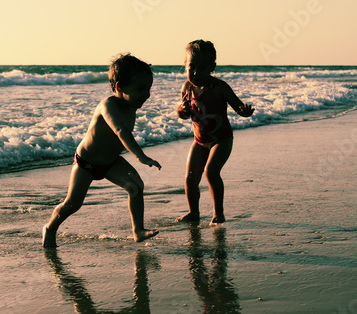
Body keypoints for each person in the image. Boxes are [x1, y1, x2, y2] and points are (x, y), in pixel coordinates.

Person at [42, 53, 161, 247]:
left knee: (136, 186)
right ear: (119, 87)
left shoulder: (131, 104)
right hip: (86, 163)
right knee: (73, 204)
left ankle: (138, 231)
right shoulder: (108, 106)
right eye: (140, 89)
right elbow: (120, 131)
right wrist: (141, 156)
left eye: (148, 89)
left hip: (111, 162)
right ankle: (50, 228)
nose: (146, 94)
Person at [175, 40, 254, 225]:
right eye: (191, 66)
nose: (195, 72)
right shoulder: (186, 88)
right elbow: (182, 114)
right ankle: (193, 212)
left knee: (211, 171)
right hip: (199, 140)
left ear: (212, 67)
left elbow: (238, 106)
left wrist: (244, 112)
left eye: (202, 67)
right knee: (190, 177)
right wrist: (182, 109)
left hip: (221, 139)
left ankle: (218, 213)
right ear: (184, 66)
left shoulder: (220, 87)